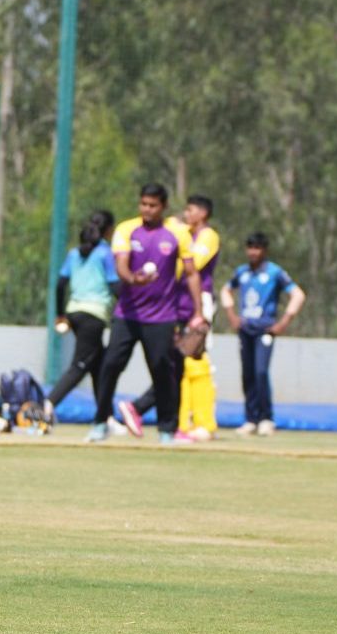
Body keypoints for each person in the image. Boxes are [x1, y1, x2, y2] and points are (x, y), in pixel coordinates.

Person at [85, 183, 206, 444]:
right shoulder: (127, 229)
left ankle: (166, 430)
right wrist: (133, 279)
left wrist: (198, 311)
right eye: (143, 204)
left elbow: (192, 273)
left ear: (163, 207)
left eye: (153, 205)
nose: (147, 210)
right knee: (110, 366)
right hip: (127, 315)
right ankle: (99, 422)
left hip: (162, 317)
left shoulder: (178, 234)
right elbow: (121, 266)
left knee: (163, 371)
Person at [116, 195, 220, 442]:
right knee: (175, 366)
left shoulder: (207, 236)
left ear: (203, 214)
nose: (186, 214)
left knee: (188, 365)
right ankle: (162, 418)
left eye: (191, 210)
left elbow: (190, 265)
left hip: (194, 307)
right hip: (175, 306)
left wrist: (170, 241)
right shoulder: (182, 234)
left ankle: (177, 421)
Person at [220, 232, 306, 436]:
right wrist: (232, 315)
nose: (253, 252)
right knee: (248, 373)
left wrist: (284, 322)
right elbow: (225, 290)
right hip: (246, 329)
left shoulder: (275, 272)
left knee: (260, 371)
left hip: (265, 330)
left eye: (257, 248)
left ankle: (266, 418)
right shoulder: (242, 272)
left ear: (264, 250)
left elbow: (297, 294)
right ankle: (250, 418)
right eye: (250, 247)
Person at [46, 210, 118, 415]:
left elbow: (60, 285)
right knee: (80, 365)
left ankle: (106, 417)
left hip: (74, 313)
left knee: (99, 365)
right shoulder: (105, 253)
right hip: (93, 315)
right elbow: (114, 286)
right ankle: (48, 404)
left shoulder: (74, 253)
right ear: (109, 229)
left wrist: (60, 314)